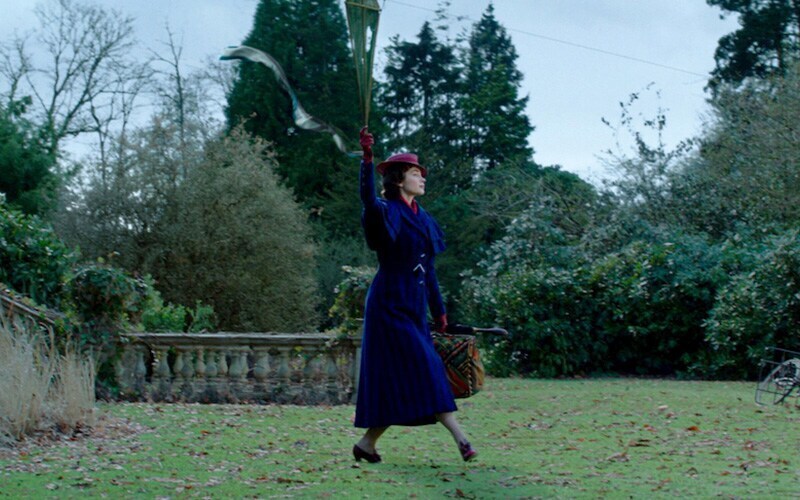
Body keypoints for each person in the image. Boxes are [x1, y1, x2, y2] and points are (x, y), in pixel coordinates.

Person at [352, 127, 477, 463]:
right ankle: (461, 438)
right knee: (428, 366)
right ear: (397, 179)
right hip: (388, 304)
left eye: (421, 174)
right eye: (414, 173)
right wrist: (367, 159)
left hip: (414, 306)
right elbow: (365, 197)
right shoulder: (385, 210)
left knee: (397, 378)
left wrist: (441, 315)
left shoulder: (425, 220)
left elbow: (430, 270)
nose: (421, 179)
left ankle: (366, 444)